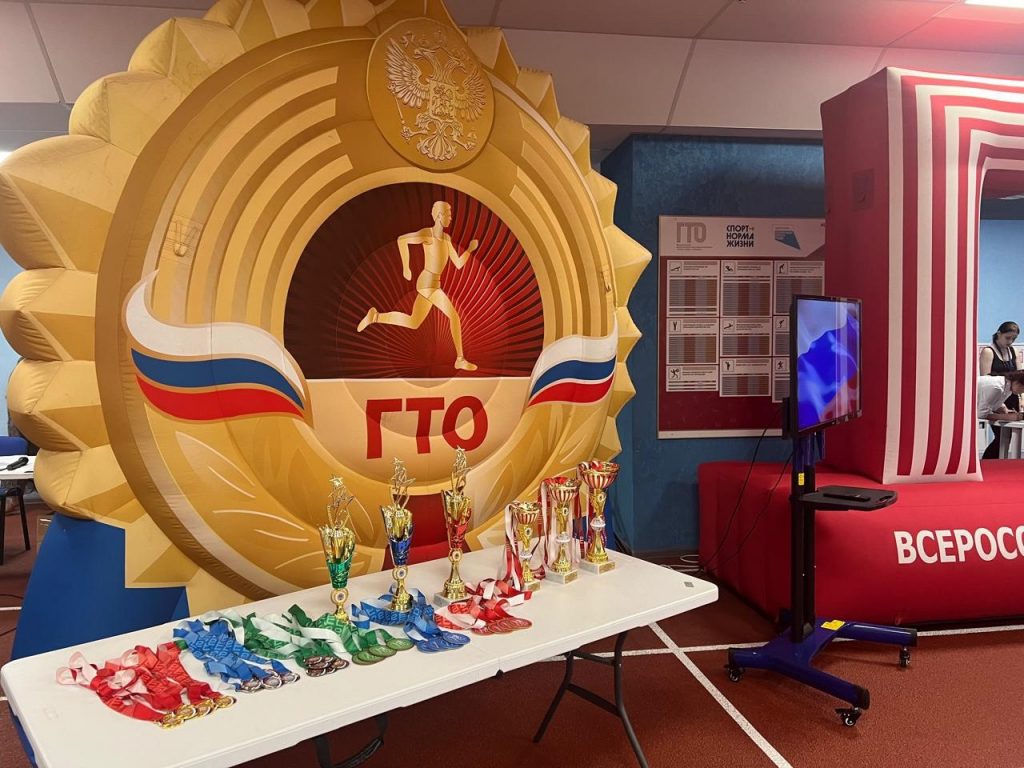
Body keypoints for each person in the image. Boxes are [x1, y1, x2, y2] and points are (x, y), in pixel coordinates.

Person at [357, 200, 479, 371]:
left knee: (413, 322)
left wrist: (470, 249)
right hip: (427, 284)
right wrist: (406, 267)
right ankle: (460, 359)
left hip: (435, 284)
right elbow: (402, 240)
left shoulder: (446, 238)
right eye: (448, 214)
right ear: (439, 215)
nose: (451, 218)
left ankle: (375, 317)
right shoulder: (427, 234)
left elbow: (458, 264)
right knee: (454, 316)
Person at [979, 321, 1020, 457]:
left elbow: (1020, 377)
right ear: (998, 334)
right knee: (1000, 435)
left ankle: (999, 463)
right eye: (1008, 338)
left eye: (1014, 339)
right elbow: (986, 379)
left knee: (1008, 436)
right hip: (995, 396)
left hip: (1012, 396)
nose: (1010, 342)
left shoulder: (1014, 351)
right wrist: (1000, 404)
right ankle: (987, 462)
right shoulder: (988, 352)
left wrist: (1020, 400)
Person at [978, 370, 1024, 459]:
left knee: (1002, 438)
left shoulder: (1007, 388)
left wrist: (1004, 409)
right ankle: (987, 462)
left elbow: (995, 404)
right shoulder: (997, 387)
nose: (1021, 393)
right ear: (1017, 383)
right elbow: (981, 414)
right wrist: (1008, 417)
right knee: (1000, 439)